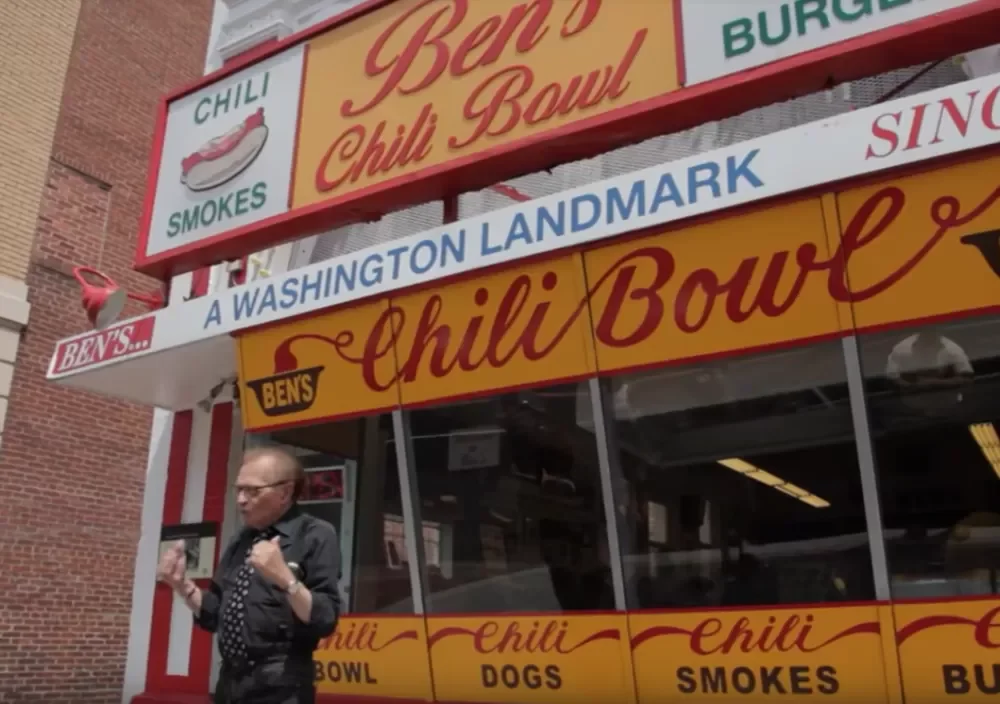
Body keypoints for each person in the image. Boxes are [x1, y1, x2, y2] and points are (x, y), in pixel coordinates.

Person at [156, 446, 341, 703]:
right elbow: (214, 613)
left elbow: (325, 619)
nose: (241, 500)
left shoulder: (315, 534)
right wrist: (182, 585)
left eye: (252, 491)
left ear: (285, 492)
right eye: (239, 489)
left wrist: (284, 578)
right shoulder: (241, 539)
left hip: (281, 687)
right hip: (230, 684)